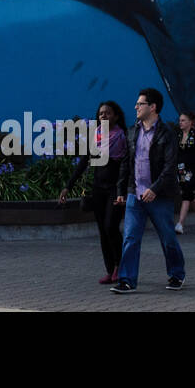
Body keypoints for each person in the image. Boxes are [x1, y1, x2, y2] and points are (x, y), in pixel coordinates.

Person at [111, 87, 185, 294]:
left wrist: (155, 189)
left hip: (159, 196)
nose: (135, 107)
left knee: (168, 237)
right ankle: (127, 280)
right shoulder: (132, 131)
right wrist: (121, 190)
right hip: (135, 194)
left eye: (140, 103)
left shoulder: (167, 132)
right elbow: (127, 162)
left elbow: (170, 166)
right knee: (130, 238)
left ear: (152, 107)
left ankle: (177, 274)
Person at [58, 101, 128, 284]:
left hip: (115, 189)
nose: (103, 116)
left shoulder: (122, 137)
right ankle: (109, 269)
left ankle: (120, 267)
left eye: (108, 113)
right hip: (98, 189)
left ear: (116, 116)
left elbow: (125, 167)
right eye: (101, 113)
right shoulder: (95, 135)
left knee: (111, 227)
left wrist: (124, 190)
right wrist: (68, 186)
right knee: (102, 231)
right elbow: (83, 162)